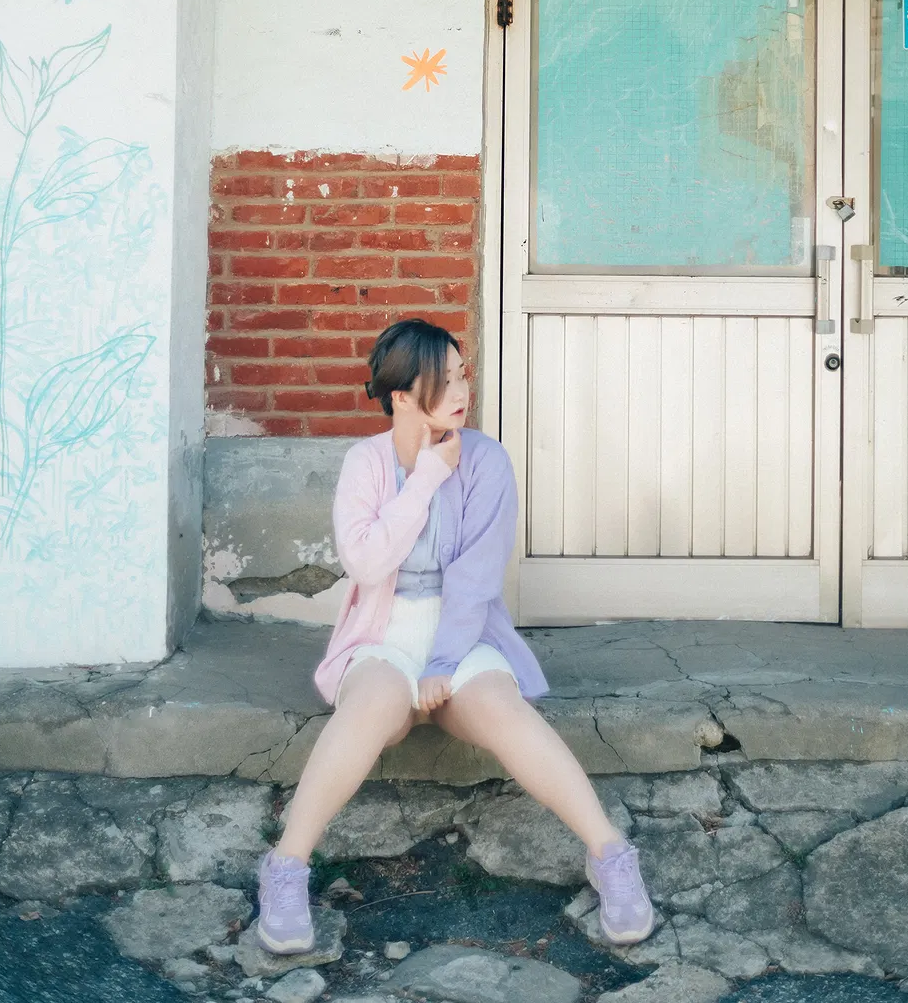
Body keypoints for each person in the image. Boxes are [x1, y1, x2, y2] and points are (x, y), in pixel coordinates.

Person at [254, 316, 654, 954]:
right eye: (444, 381)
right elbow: (367, 563)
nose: (462, 390)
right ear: (402, 396)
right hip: (381, 634)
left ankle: (610, 855)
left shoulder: (488, 460)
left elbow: (477, 575)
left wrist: (443, 662)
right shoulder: (365, 463)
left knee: (501, 706)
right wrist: (426, 478)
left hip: (462, 635)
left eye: (463, 374)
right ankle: (286, 868)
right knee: (371, 703)